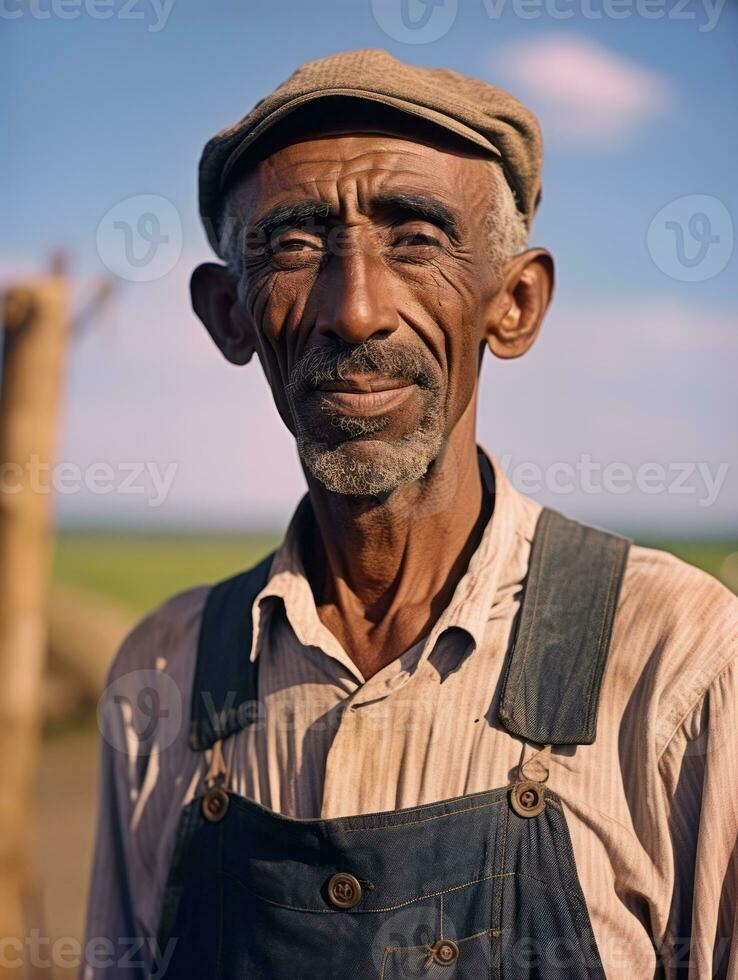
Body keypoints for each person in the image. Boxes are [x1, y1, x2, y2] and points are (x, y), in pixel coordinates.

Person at [83, 49, 738, 979]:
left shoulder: (680, 660)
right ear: (230, 315)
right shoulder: (164, 675)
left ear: (514, 304)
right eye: (296, 244)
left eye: (417, 239)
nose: (354, 312)